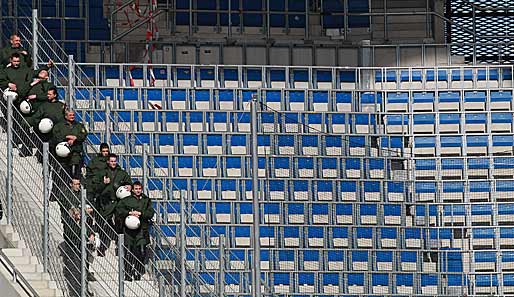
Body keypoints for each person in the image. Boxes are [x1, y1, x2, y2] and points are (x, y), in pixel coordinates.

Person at [94, 153, 131, 256]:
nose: (113, 163)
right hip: (106, 202)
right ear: (108, 161)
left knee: (120, 223)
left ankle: (120, 246)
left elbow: (129, 183)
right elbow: (95, 187)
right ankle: (102, 247)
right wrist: (103, 183)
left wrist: (129, 186)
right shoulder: (102, 173)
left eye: (115, 161)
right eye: (111, 161)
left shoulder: (122, 173)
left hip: (119, 202)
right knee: (103, 224)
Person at [116, 181, 154, 281]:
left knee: (141, 251)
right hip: (129, 231)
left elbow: (150, 213)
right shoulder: (126, 200)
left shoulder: (146, 200)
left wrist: (141, 213)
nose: (138, 191)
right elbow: (119, 211)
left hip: (142, 229)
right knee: (128, 251)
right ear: (132, 189)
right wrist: (129, 213)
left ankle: (137, 271)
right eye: (136, 189)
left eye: (139, 189)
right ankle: (128, 273)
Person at [61, 206, 96, 297]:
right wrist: (85, 235)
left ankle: (84, 291)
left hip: (82, 250)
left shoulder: (83, 223)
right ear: (72, 215)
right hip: (73, 250)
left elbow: (88, 231)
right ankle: (76, 293)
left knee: (83, 271)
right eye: (77, 214)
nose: (79, 216)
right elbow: (71, 234)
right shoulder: (69, 223)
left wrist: (91, 234)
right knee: (75, 272)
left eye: (80, 214)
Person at [27, 87, 65, 163]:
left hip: (57, 133)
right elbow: (36, 117)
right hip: (47, 134)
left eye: (50, 94)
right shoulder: (44, 105)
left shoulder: (62, 106)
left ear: (55, 95)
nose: (48, 96)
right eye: (47, 94)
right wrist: (41, 125)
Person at [50, 108, 88, 179]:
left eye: (73, 115)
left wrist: (75, 138)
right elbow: (56, 136)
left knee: (76, 173)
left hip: (75, 152)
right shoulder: (59, 126)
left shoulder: (79, 125)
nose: (72, 117)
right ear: (66, 116)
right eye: (70, 115)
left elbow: (84, 134)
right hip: (62, 155)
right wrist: (66, 137)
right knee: (64, 174)